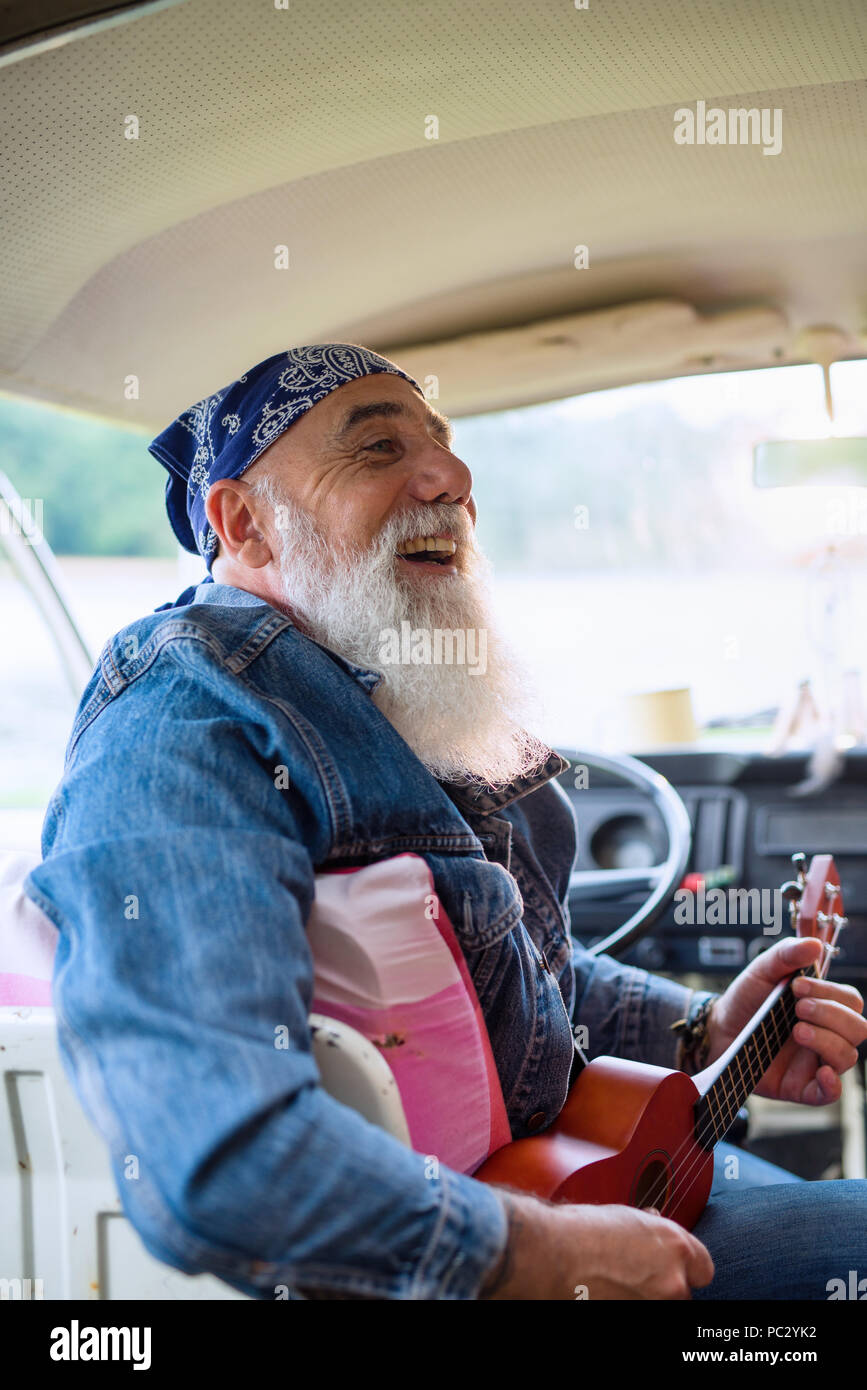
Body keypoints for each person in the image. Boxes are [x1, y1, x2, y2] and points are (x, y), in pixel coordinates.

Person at [25, 344, 867, 1300]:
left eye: (444, 444)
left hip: (561, 1182)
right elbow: (214, 1151)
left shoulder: (387, 692)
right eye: (378, 447)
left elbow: (507, 973)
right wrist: (534, 1254)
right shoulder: (187, 717)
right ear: (245, 522)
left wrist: (704, 1032)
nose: (453, 479)